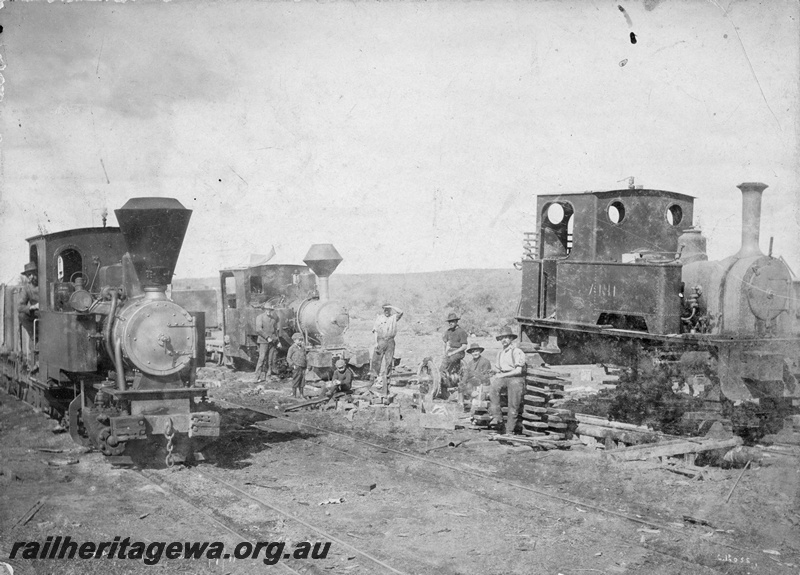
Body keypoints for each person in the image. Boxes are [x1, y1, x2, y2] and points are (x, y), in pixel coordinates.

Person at [489, 326, 527, 435]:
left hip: (516, 378)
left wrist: (502, 375)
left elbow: (518, 370)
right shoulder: (500, 353)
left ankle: (509, 431)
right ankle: (497, 418)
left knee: (513, 404)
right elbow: (498, 368)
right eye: (501, 338)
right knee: (493, 388)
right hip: (504, 377)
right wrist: (492, 371)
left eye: (506, 337)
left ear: (511, 339)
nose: (504, 340)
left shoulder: (517, 351)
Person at [371, 303, 403, 389]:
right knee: (376, 360)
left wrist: (391, 306)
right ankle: (374, 378)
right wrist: (376, 343)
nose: (386, 312)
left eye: (388, 310)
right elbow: (375, 331)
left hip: (390, 341)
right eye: (385, 310)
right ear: (383, 310)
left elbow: (401, 312)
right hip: (381, 340)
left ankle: (387, 379)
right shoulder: (379, 318)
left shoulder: (393, 318)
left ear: (390, 310)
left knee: (389, 361)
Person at [254, 304, 278, 382]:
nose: (269, 311)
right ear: (264, 309)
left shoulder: (273, 319)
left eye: (270, 310)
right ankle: (256, 377)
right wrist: (267, 337)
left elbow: (275, 331)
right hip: (263, 341)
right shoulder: (260, 317)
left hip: (272, 342)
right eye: (267, 309)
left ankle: (268, 376)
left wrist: (277, 341)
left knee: (270, 360)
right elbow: (258, 329)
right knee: (262, 358)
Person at [441, 312, 468, 380]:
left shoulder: (461, 332)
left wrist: (453, 352)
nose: (451, 323)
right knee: (442, 364)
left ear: (456, 321)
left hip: (459, 352)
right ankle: (443, 378)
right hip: (450, 351)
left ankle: (446, 376)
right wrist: (444, 352)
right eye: (449, 322)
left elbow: (464, 346)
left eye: (452, 321)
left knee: (449, 361)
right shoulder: (448, 331)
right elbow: (445, 342)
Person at [18, 262, 40, 342]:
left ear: (37, 273)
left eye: (31, 274)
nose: (30, 277)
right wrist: (33, 307)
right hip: (37, 314)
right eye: (28, 275)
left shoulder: (45, 284)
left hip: (49, 313)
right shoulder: (27, 288)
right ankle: (35, 338)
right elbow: (20, 307)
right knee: (22, 316)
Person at [286, 333, 307, 398]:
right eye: (299, 340)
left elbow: (305, 357)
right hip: (296, 367)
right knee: (296, 380)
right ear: (294, 340)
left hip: (303, 367)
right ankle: (294, 394)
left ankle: (301, 394)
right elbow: (288, 358)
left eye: (301, 340)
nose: (301, 341)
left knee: (302, 381)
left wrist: (307, 366)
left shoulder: (303, 348)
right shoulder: (292, 348)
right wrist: (293, 365)